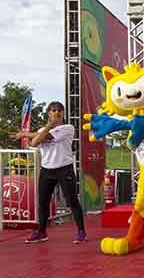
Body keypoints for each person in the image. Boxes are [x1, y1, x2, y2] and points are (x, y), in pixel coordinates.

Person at [10, 101, 87, 244]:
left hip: (64, 168)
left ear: (63, 113)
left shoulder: (68, 128)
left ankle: (81, 232)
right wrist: (39, 132)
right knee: (43, 202)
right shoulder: (41, 130)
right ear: (49, 113)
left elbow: (44, 137)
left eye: (59, 110)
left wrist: (27, 134)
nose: (56, 113)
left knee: (72, 201)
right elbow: (34, 143)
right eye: (53, 110)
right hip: (46, 170)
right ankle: (41, 232)